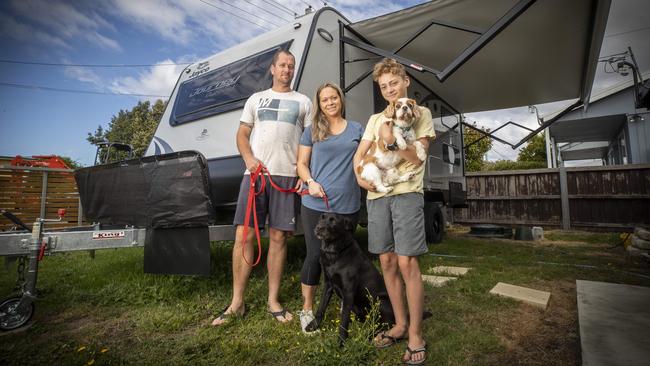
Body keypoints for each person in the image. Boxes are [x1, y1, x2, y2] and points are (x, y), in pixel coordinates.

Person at [212, 49, 312, 326]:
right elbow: (243, 135)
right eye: (282, 65)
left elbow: (309, 140)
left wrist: (304, 171)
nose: (287, 70)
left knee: (279, 239)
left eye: (291, 66)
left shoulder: (303, 102)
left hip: (287, 177)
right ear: (272, 68)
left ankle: (273, 301)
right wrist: (249, 159)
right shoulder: (256, 99)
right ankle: (236, 303)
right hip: (255, 175)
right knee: (244, 237)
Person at [353, 58, 435, 365]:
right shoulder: (375, 119)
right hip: (378, 195)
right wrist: (360, 177)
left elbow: (416, 157)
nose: (389, 89)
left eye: (394, 83)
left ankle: (415, 333)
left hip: (407, 194)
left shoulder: (420, 114)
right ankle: (399, 324)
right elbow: (359, 155)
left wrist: (390, 143)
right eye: (384, 86)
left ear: (406, 82)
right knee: (386, 260)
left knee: (407, 261)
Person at [295, 82, 364, 334]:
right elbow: (301, 164)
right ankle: (307, 309)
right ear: (319, 104)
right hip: (316, 204)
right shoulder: (312, 130)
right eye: (325, 100)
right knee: (315, 256)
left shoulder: (357, 128)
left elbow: (366, 159)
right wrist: (310, 182)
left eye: (334, 98)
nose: (330, 102)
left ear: (340, 100)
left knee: (345, 259)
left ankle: (352, 305)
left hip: (348, 206)